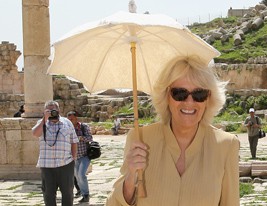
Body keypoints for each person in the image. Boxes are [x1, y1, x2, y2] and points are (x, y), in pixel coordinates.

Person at [106, 56, 240, 205]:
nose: (189, 102)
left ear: (209, 98)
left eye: (199, 95)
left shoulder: (227, 145)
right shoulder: (140, 139)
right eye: (179, 93)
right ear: (166, 96)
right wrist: (130, 179)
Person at [31, 100, 78, 206]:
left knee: (68, 193)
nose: (52, 112)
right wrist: (44, 119)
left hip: (66, 164)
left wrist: (73, 158)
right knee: (48, 194)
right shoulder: (42, 123)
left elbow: (74, 141)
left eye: (54, 110)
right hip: (47, 166)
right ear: (44, 111)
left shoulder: (67, 122)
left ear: (59, 110)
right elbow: (35, 133)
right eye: (49, 110)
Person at [67, 110, 93, 203]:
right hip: (74, 157)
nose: (70, 121)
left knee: (81, 175)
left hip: (84, 155)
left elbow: (90, 138)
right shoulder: (67, 128)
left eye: (72, 119)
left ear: (76, 118)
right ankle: (83, 193)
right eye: (69, 119)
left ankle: (86, 194)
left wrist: (80, 138)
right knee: (77, 176)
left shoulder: (83, 127)